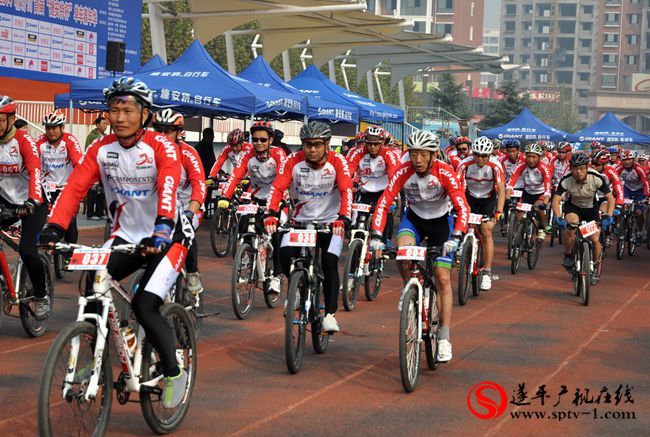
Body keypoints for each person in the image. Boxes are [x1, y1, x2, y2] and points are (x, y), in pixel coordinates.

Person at [38, 77, 191, 408]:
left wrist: (163, 228)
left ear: (145, 114)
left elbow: (168, 187)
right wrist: (54, 226)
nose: (119, 117)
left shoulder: (161, 147)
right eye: (113, 110)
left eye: (128, 110)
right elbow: (75, 187)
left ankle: (174, 370)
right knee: (93, 291)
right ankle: (96, 366)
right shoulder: (100, 149)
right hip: (124, 238)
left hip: (166, 238)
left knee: (145, 305)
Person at [370, 130, 469, 362]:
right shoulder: (403, 172)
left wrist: (456, 236)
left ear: (433, 155)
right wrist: (375, 235)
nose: (418, 160)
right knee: (402, 253)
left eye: (423, 154)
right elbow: (384, 202)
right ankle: (409, 289)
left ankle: (444, 337)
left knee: (442, 277)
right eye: (413, 154)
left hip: (441, 224)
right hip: (414, 219)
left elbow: (462, 207)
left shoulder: (445, 172)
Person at [264, 121, 352, 333]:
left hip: (331, 223)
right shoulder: (292, 161)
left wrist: (344, 217)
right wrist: (271, 214)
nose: (312, 150)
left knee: (330, 262)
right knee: (283, 253)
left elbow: (346, 189)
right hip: (300, 222)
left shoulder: (338, 161)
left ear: (327, 144)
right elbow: (277, 187)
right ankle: (299, 286)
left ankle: (330, 314)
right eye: (308, 144)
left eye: (318, 144)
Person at [218, 121, 287, 295]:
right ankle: (247, 255)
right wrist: (225, 196)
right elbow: (235, 176)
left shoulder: (279, 154)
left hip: (278, 197)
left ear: (270, 139)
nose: (259, 143)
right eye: (255, 139)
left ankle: (277, 277)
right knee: (243, 223)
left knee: (278, 234)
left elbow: (282, 180)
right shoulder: (247, 155)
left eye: (263, 139)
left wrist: (276, 203)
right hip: (257, 196)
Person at [0, 95, 49, 319]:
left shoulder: (24, 141)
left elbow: (35, 172)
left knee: (28, 250)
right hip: (5, 200)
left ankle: (41, 295)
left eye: (1, 120)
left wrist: (31, 202)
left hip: (33, 201)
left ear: (11, 119)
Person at [152, 109, 207, 296]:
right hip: (162, 208)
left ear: (178, 132)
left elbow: (199, 185)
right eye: (158, 130)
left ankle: (192, 272)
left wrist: (191, 210)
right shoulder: (147, 152)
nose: (161, 135)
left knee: (186, 229)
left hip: (188, 207)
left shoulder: (188, 153)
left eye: (167, 131)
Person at [552, 153, 615, 284]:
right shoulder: (566, 179)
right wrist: (558, 217)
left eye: (581, 168)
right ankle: (569, 255)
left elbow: (610, 198)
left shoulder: (596, 177)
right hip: (573, 207)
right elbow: (556, 199)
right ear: (571, 168)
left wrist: (609, 215)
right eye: (575, 168)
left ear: (587, 167)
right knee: (571, 228)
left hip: (591, 209)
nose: (578, 171)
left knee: (594, 238)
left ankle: (595, 266)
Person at [457, 137, 505, 291]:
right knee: (461, 224)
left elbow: (502, 190)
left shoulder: (495, 166)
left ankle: (487, 272)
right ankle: (463, 250)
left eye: (484, 156)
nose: (480, 159)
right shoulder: (464, 164)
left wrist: (499, 211)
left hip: (488, 200)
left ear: (489, 155)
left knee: (486, 231)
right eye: (477, 154)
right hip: (470, 196)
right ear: (473, 153)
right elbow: (456, 188)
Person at [36, 110, 83, 249]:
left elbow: (79, 164)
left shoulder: (70, 141)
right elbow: (32, 163)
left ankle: (70, 252)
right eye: (48, 128)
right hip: (46, 188)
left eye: (54, 127)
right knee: (40, 217)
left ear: (62, 128)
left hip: (66, 187)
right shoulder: (40, 142)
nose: (50, 131)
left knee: (70, 220)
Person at [506, 142, 552, 240]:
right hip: (527, 193)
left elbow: (548, 188)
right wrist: (507, 197)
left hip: (540, 193)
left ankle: (541, 228)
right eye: (529, 156)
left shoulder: (544, 168)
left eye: (534, 157)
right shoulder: (521, 166)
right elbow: (511, 182)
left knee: (539, 210)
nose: (531, 159)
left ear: (539, 157)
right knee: (519, 215)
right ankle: (518, 236)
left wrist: (545, 203)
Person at [616, 149, 650, 235]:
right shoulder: (619, 168)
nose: (627, 162)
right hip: (628, 189)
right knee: (623, 206)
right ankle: (622, 224)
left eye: (629, 159)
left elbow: (645, 182)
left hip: (640, 190)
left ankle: (640, 230)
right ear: (622, 160)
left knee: (638, 213)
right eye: (625, 160)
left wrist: (647, 195)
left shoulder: (638, 168)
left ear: (633, 159)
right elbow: (614, 180)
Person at [85, 116, 109, 220]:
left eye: (106, 124)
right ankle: (90, 213)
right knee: (92, 191)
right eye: (103, 124)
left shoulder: (107, 136)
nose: (105, 126)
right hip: (93, 166)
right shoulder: (91, 136)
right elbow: (87, 150)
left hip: (103, 167)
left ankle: (100, 212)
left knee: (102, 191)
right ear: (98, 125)